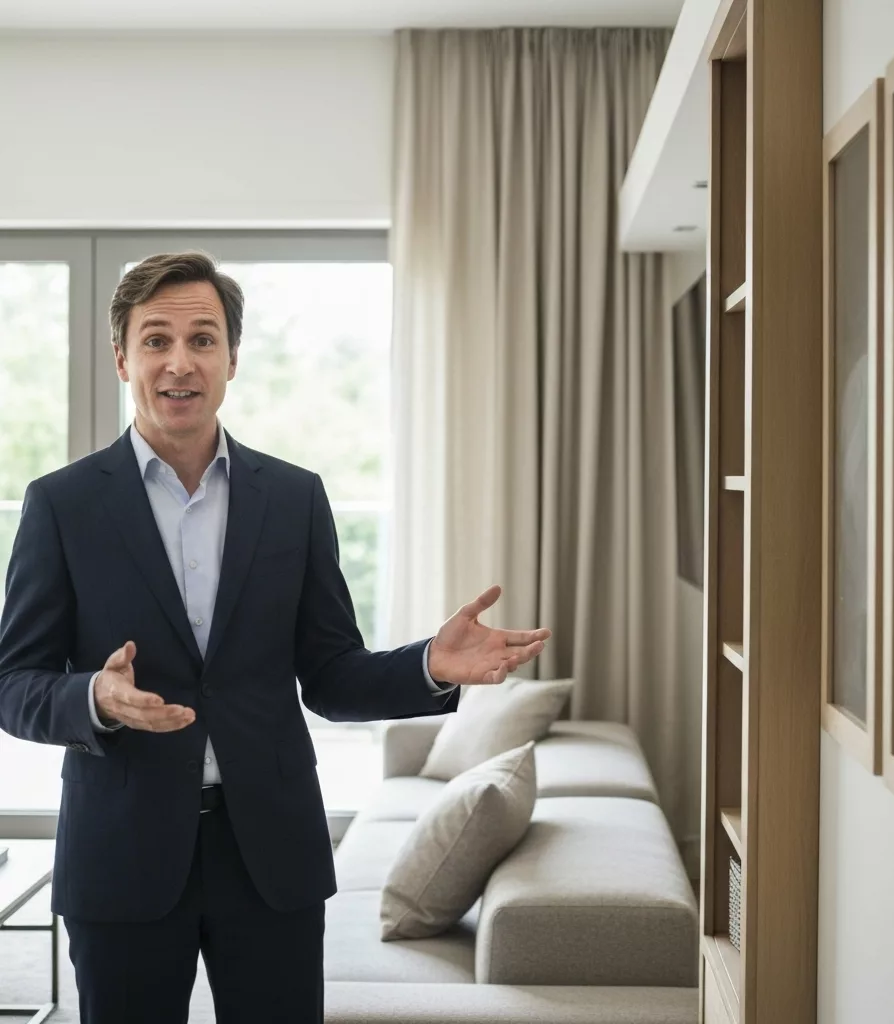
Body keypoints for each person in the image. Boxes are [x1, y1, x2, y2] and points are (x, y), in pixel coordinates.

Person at [0, 251, 550, 1024]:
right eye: (156, 340)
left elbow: (329, 674)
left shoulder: (294, 499)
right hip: (121, 852)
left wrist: (429, 663)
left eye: (202, 339)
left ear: (232, 358)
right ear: (122, 355)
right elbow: (14, 682)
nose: (179, 362)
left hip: (270, 852)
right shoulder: (61, 505)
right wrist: (94, 695)